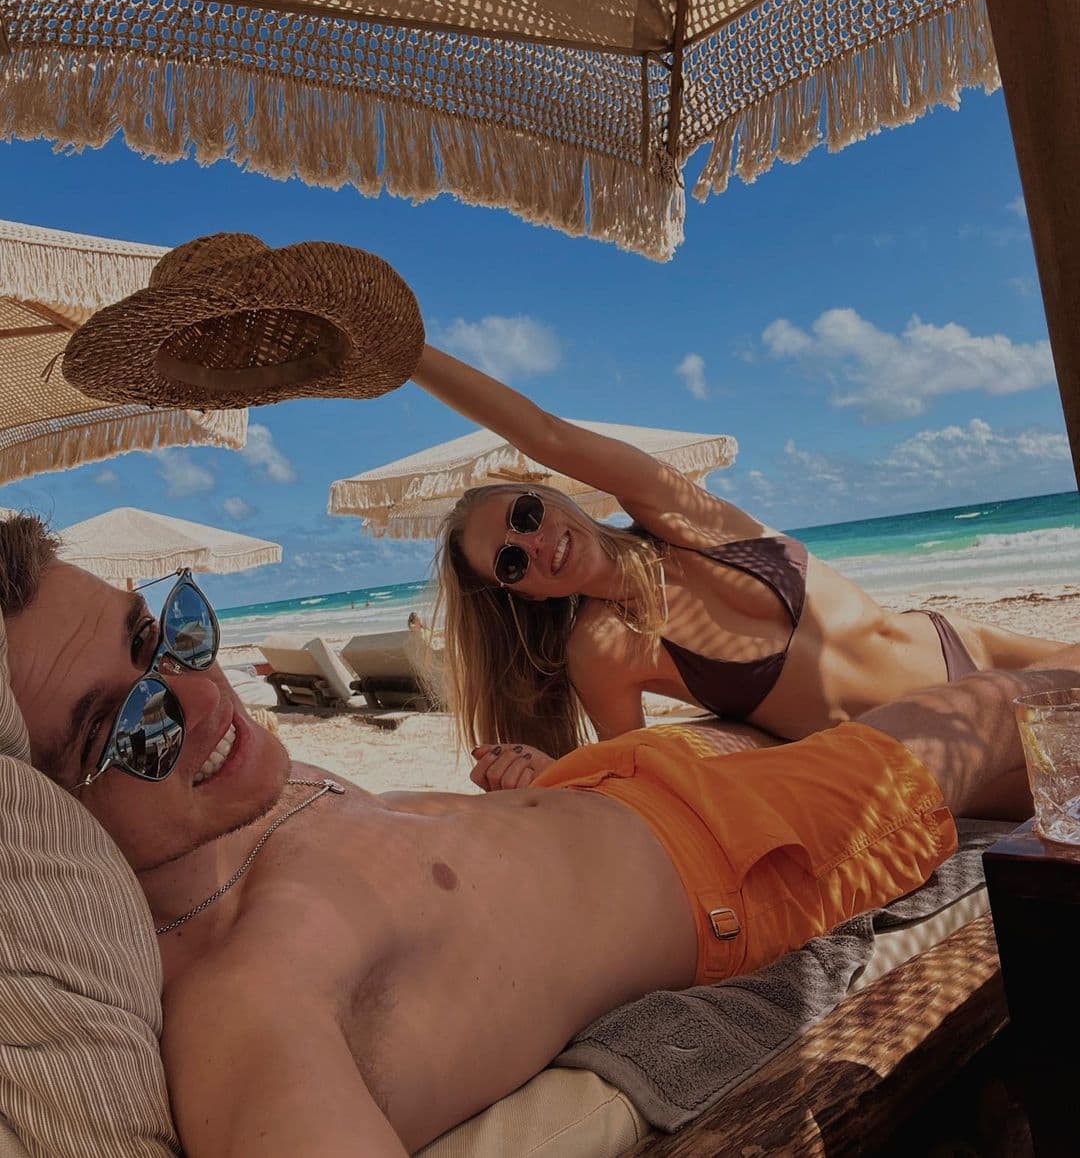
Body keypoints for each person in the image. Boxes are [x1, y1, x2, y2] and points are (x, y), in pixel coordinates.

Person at [2, 512, 1071, 1155]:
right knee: (1029, 708)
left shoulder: (220, 810)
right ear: (51, 814)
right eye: (124, 727)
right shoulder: (247, 998)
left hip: (632, 785)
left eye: (164, 632)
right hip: (732, 851)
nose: (196, 694)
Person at [410, 345, 1064, 786]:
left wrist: (409, 355)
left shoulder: (684, 517)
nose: (535, 544)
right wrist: (550, 773)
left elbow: (545, 433)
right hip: (928, 750)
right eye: (510, 562)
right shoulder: (606, 646)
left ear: (549, 493)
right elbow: (633, 780)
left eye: (525, 515)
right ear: (520, 596)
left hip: (970, 648)